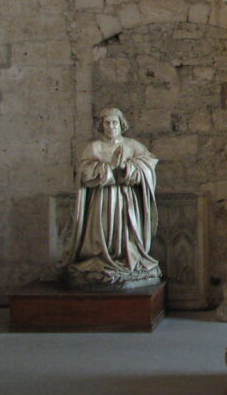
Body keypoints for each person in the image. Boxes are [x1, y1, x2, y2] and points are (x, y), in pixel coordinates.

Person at [64, 108, 160, 289]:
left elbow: (148, 165)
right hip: (102, 198)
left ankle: (125, 258)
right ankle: (102, 258)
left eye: (114, 122)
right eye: (107, 123)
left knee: (126, 232)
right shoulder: (94, 147)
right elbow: (83, 173)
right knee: (103, 229)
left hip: (126, 198)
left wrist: (126, 168)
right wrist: (108, 168)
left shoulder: (133, 145)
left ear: (121, 124)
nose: (111, 126)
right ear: (102, 126)